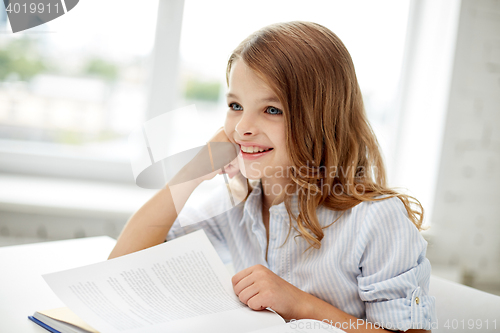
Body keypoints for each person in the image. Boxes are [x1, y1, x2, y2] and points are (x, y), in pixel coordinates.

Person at [109, 21, 437, 332]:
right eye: (236, 105)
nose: (242, 128)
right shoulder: (238, 201)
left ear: (322, 119)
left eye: (272, 110)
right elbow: (123, 265)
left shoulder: (376, 219)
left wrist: (302, 305)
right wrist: (190, 175)